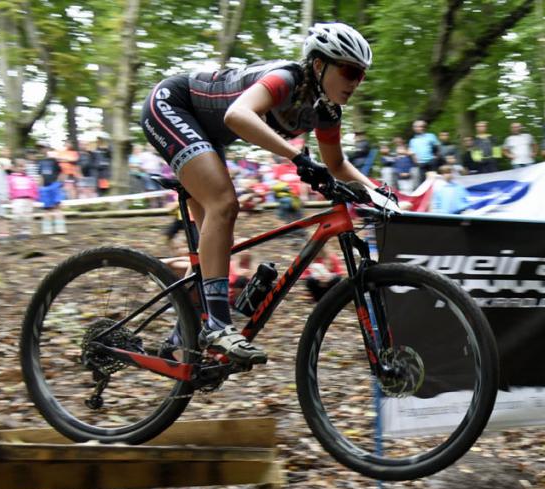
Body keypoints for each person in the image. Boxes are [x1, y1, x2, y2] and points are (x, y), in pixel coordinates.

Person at [139, 21, 378, 364]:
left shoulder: (327, 112)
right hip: (172, 105)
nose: (356, 82)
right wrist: (296, 157)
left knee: (215, 241)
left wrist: (379, 192)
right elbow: (238, 114)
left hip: (206, 134)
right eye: (350, 71)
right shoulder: (287, 79)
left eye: (362, 76)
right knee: (223, 204)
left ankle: (182, 339)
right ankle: (218, 326)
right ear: (318, 65)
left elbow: (337, 164)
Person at [36, 145, 67, 234]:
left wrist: (58, 184)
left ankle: (60, 228)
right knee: (47, 209)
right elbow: (40, 175)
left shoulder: (55, 161)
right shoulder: (40, 162)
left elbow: (62, 173)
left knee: (57, 208)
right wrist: (40, 188)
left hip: (54, 187)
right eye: (42, 149)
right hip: (45, 188)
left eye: (45, 148)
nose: (44, 150)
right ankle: (47, 229)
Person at [8, 158, 39, 238]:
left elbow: (34, 187)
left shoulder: (29, 178)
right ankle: (17, 230)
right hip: (17, 199)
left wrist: (35, 196)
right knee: (18, 215)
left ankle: (26, 231)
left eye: (24, 166)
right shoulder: (10, 178)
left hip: (28, 199)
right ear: (13, 167)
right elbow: (8, 188)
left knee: (27, 216)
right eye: (20, 166)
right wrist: (8, 197)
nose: (23, 168)